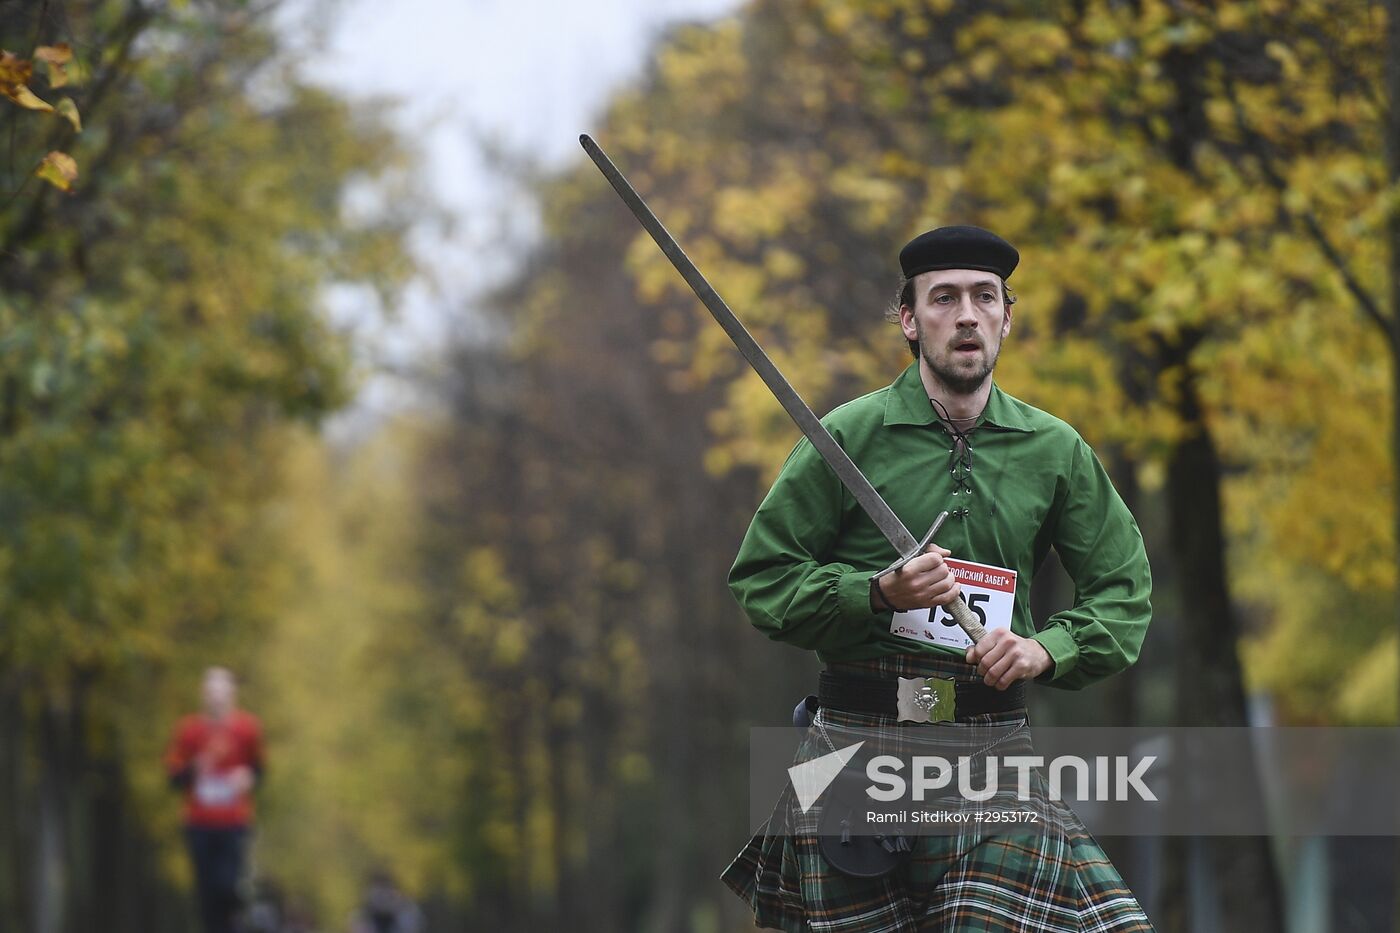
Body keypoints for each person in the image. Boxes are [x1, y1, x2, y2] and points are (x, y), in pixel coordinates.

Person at [720, 225, 1154, 931]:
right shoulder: (846, 436)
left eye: (985, 297)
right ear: (909, 319)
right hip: (854, 749)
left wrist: (1046, 649)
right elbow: (763, 579)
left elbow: (1123, 592)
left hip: (991, 751)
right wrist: (876, 593)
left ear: (1007, 317)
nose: (966, 314)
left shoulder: (1057, 451)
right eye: (944, 297)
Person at [165, 666, 265, 933]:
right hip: (198, 822)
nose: (217, 698)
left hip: (234, 821)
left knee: (228, 885)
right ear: (204, 695)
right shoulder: (189, 731)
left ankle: (233, 923)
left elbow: (258, 768)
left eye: (222, 692)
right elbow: (173, 776)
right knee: (206, 891)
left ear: (232, 694)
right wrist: (193, 769)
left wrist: (247, 777)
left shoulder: (248, 729)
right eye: (212, 692)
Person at [348, 869, 425, 933]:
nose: (381, 898)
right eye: (378, 895)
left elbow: (413, 926)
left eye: (385, 893)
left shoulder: (407, 912)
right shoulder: (361, 917)